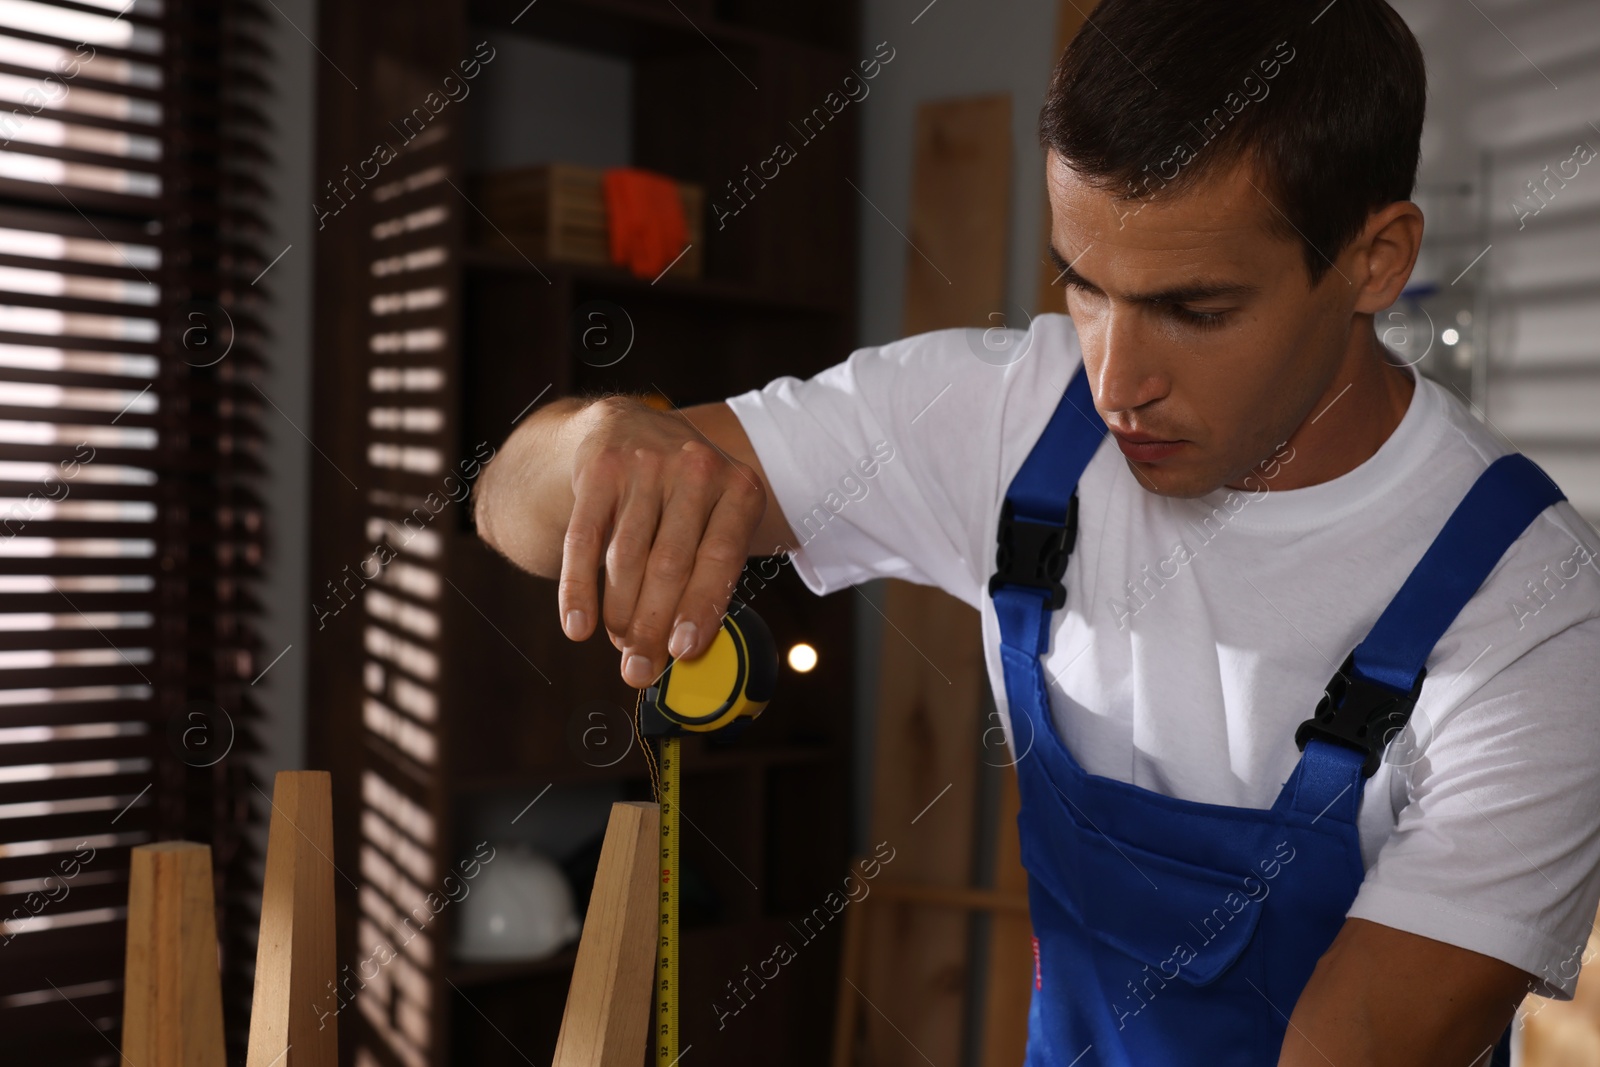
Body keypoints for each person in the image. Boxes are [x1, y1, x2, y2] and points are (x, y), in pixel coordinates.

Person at [472, 0, 1600, 1062]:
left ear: (1376, 261)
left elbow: (1351, 1046)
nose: (1117, 380)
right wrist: (610, 438)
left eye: (1194, 309)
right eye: (1085, 286)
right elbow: (509, 503)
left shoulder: (1531, 611)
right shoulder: (1008, 418)